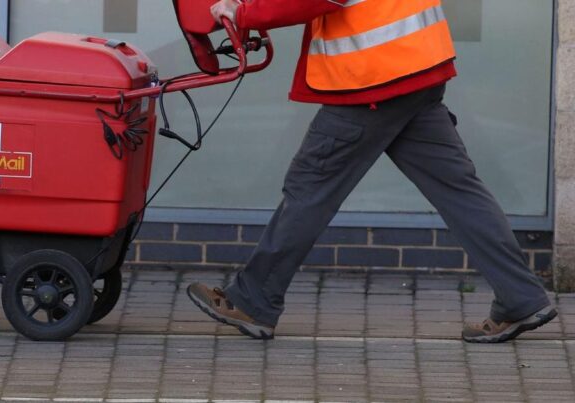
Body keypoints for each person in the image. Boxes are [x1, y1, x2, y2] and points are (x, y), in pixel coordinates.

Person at [187, 0, 558, 343]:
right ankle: (521, 297)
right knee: (459, 191)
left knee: (310, 188)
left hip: (372, 81)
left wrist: (243, 13)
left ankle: (253, 300)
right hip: (417, 67)